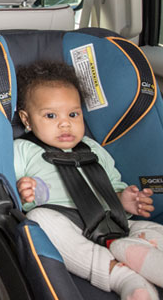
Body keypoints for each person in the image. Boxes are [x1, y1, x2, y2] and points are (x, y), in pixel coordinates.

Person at [14, 60, 163, 300]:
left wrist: (124, 200)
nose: (65, 123)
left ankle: (144, 255)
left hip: (114, 221)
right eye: (50, 115)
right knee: (38, 220)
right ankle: (120, 275)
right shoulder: (22, 149)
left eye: (73, 114)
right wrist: (22, 189)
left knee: (154, 231)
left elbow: (113, 186)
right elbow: (8, 187)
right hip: (67, 223)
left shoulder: (93, 148)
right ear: (27, 119)